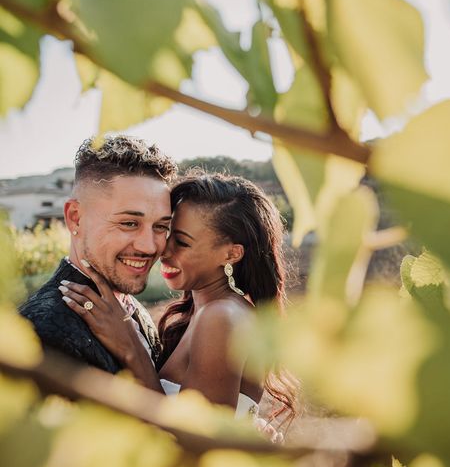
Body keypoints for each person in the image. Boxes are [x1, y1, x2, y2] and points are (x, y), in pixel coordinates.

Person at [60, 171, 298, 425]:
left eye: (183, 243)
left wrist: (131, 347)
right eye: (167, 233)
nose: (162, 250)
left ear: (231, 254)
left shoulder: (220, 317)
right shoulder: (215, 310)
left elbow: (196, 439)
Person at [19, 135, 177, 374]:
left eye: (161, 226)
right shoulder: (40, 333)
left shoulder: (132, 311)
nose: (150, 247)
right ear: (75, 218)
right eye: (129, 223)